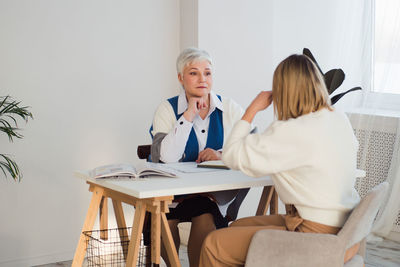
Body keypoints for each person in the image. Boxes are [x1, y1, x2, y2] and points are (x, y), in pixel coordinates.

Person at [199, 54, 361, 267]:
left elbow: (231, 154)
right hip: (345, 232)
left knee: (213, 244)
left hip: (313, 235)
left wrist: (252, 109)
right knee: (238, 225)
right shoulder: (338, 118)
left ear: (282, 92)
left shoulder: (291, 130)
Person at [150, 47, 248, 267]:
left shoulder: (229, 107)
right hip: (173, 192)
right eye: (194, 73)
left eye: (208, 73)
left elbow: (252, 147)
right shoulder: (167, 109)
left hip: (213, 194)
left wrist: (220, 155)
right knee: (165, 221)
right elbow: (166, 157)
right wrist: (188, 115)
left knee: (205, 215)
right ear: (180, 78)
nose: (202, 79)